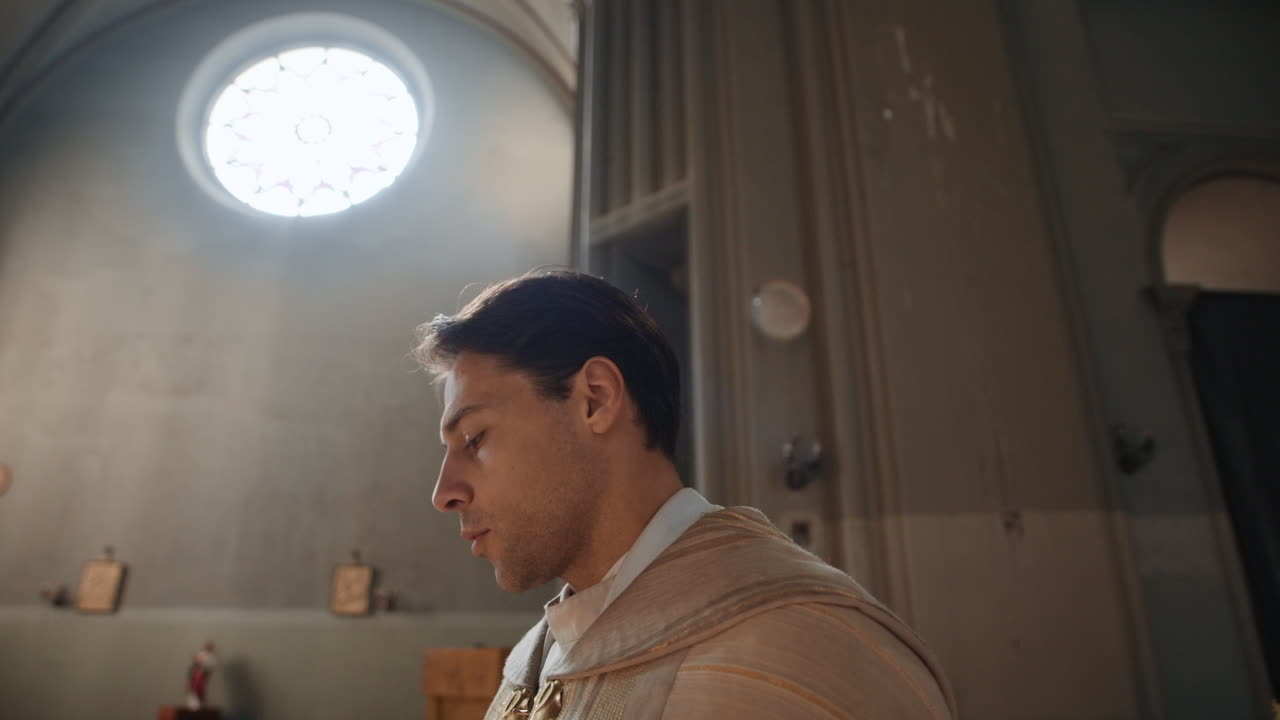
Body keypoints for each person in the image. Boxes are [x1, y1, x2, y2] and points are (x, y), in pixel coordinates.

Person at [416, 270, 955, 720]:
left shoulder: (804, 655)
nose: (444, 493)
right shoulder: (535, 660)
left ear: (595, 400)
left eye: (475, 439)